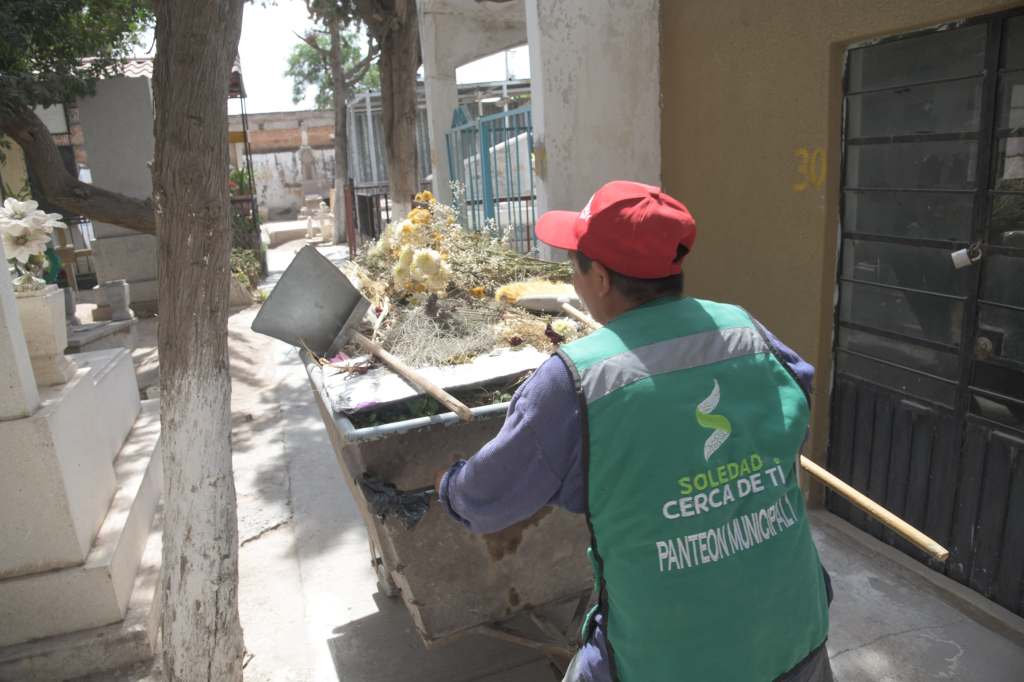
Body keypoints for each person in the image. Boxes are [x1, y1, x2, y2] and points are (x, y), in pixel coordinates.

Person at [436, 181, 834, 681]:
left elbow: (486, 500)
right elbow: (798, 396)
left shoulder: (574, 380)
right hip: (797, 631)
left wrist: (449, 487)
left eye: (574, 266)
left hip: (674, 658)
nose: (573, 280)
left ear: (599, 278)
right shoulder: (742, 328)